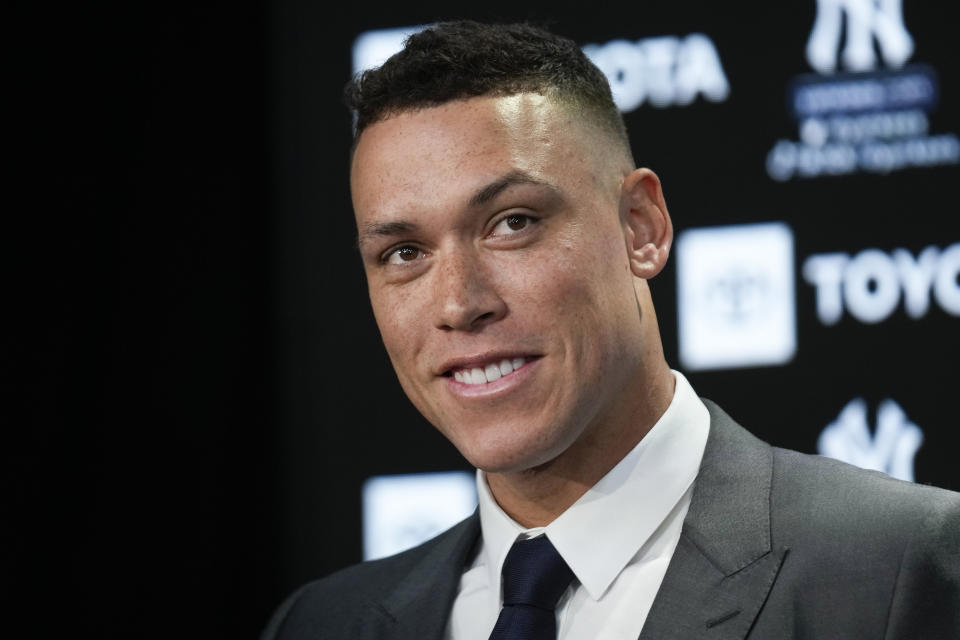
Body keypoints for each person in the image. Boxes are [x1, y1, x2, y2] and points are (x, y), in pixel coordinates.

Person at [263, 21, 960, 640]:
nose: (459, 303)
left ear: (641, 228)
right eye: (404, 253)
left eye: (513, 223)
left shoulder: (901, 568)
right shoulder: (325, 623)